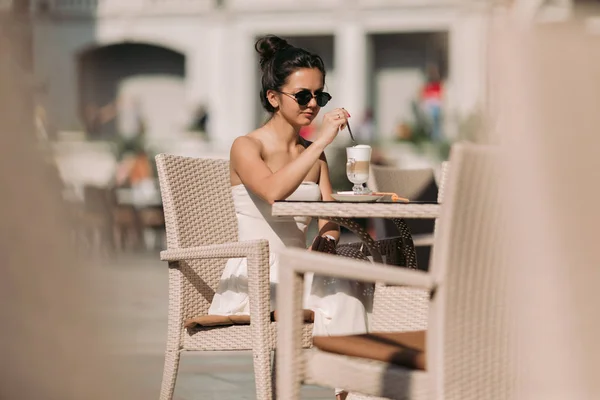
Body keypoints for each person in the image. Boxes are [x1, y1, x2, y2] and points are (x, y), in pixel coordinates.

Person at [207, 35, 370, 400]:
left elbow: (329, 215)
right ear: (273, 97)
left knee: (356, 286)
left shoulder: (312, 154)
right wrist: (323, 141)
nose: (313, 104)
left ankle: (353, 393)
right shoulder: (247, 146)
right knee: (346, 295)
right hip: (257, 276)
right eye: (303, 95)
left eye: (320, 96)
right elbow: (272, 191)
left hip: (302, 268)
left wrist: (327, 240)